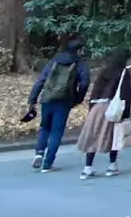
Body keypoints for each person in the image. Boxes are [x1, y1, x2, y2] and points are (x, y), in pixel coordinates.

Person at [28, 38, 90, 172]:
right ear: (79, 50)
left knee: (45, 127)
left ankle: (39, 153)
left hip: (47, 98)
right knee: (57, 131)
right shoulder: (80, 63)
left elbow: (41, 80)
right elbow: (84, 83)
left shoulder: (54, 61)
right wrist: (78, 99)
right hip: (64, 100)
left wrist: (32, 99)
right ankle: (47, 164)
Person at [76, 49, 131, 180]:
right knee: (113, 137)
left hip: (97, 107)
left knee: (93, 135)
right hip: (112, 108)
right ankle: (112, 166)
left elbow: (95, 90)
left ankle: (87, 168)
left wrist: (91, 107)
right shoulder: (123, 73)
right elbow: (125, 95)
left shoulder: (104, 71)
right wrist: (126, 113)